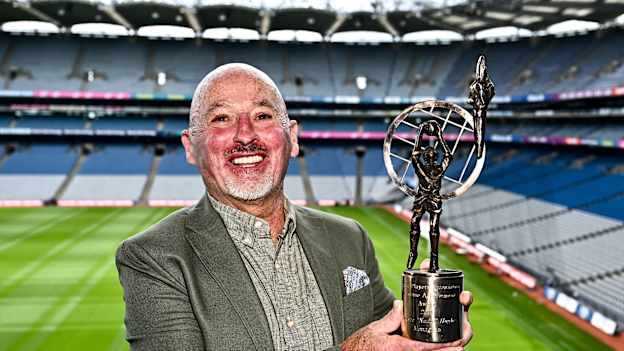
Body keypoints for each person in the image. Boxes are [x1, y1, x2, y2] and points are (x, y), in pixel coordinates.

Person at [115, 63, 473, 351]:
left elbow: (388, 336)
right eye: (221, 118)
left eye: (263, 116)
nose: (244, 135)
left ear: (293, 138)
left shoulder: (349, 238)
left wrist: (428, 324)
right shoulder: (152, 257)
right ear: (191, 147)